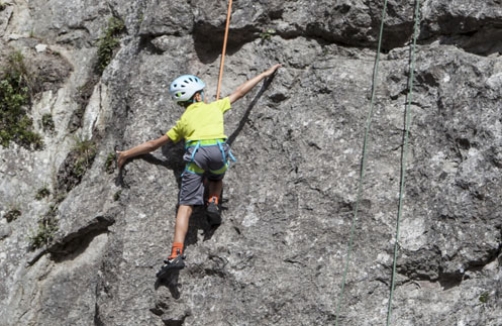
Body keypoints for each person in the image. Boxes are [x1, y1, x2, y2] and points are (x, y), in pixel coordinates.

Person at [116, 63, 281, 270]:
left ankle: (176, 252)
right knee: (216, 178)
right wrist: (264, 73)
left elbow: (153, 145)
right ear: (197, 96)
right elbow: (240, 92)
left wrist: (125, 154)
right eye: (201, 93)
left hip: (197, 155)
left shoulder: (183, 121)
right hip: (219, 152)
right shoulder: (215, 106)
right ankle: (213, 200)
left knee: (185, 206)